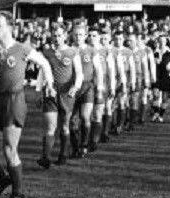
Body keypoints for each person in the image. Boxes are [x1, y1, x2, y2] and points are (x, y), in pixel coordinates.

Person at [0, 11, 53, 198]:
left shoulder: (22, 49)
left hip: (14, 102)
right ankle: (2, 178)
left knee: (10, 149)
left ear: (10, 27)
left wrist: (48, 84)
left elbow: (44, 63)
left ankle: (18, 193)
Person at [37, 24, 83, 167]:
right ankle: (46, 158)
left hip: (66, 93)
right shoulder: (47, 52)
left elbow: (79, 72)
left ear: (65, 36)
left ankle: (63, 155)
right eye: (55, 35)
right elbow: (42, 72)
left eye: (60, 35)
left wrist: (75, 87)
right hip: (50, 92)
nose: (57, 38)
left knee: (64, 126)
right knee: (50, 126)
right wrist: (40, 91)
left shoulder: (72, 52)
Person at [70, 24, 104, 158]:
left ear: (85, 36)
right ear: (72, 35)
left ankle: (84, 145)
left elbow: (99, 70)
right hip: (71, 89)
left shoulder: (91, 50)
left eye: (81, 35)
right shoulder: (69, 50)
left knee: (85, 117)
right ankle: (75, 147)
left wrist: (99, 88)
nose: (78, 37)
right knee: (72, 120)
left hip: (87, 87)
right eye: (76, 34)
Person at [88, 27, 116, 150]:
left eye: (94, 35)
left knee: (98, 113)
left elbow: (111, 69)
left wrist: (113, 86)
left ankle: (94, 140)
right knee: (87, 115)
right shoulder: (85, 49)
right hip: (87, 86)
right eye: (90, 35)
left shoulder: (106, 51)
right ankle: (88, 138)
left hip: (102, 85)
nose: (91, 38)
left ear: (99, 37)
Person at [112, 30, 135, 134]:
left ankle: (119, 125)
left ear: (123, 39)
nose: (118, 41)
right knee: (112, 104)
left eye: (120, 39)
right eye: (116, 39)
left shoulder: (128, 51)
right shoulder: (110, 50)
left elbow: (132, 68)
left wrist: (132, 81)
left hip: (123, 80)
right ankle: (112, 124)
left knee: (122, 102)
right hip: (111, 80)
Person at [151, 33, 170, 122]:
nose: (162, 42)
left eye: (163, 41)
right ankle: (156, 113)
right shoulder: (154, 52)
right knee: (155, 95)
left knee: (164, 98)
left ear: (166, 41)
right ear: (158, 42)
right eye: (160, 41)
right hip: (156, 76)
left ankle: (161, 115)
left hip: (166, 77)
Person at [127, 30, 151, 129]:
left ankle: (132, 122)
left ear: (136, 41)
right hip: (126, 76)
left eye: (131, 41)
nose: (129, 43)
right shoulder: (125, 51)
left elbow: (145, 67)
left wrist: (147, 79)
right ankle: (125, 119)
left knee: (134, 98)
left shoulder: (141, 52)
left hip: (138, 77)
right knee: (125, 99)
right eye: (128, 41)